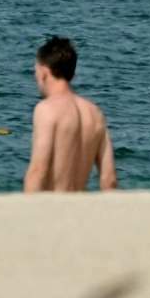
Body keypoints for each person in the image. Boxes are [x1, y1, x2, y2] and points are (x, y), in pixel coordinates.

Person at [24, 36, 117, 192]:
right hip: (79, 205)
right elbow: (109, 179)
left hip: (52, 204)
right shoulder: (95, 113)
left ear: (43, 73)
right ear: (72, 74)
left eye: (36, 72)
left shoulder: (46, 109)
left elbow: (38, 170)